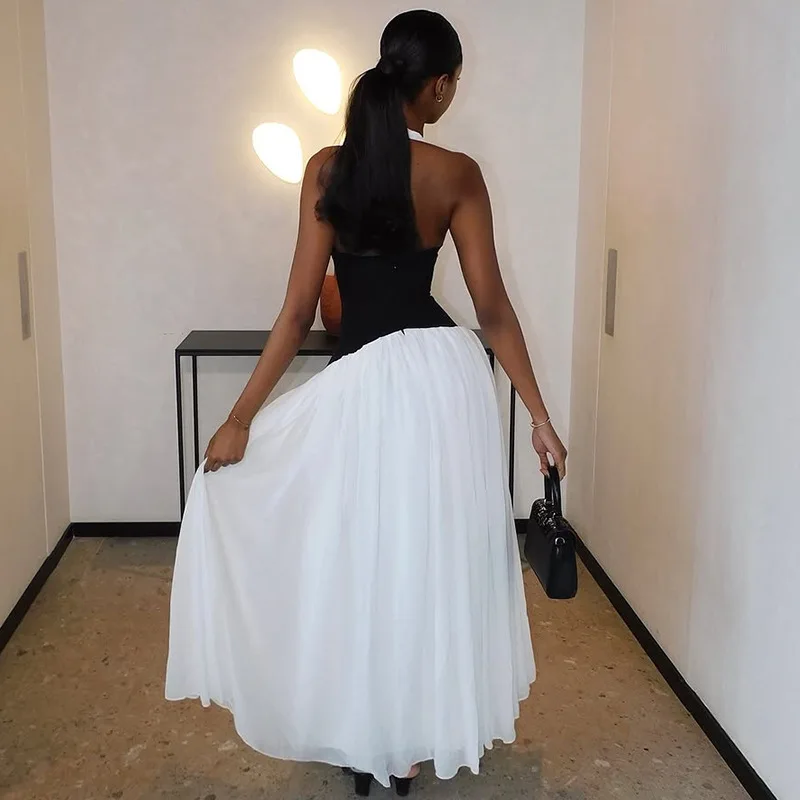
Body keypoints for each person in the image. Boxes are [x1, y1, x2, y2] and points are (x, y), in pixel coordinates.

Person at [165, 9, 567, 797]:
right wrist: (540, 418)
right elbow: (492, 311)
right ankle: (406, 742)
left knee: (354, 558)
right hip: (441, 385)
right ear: (439, 86)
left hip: (363, 386)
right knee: (424, 562)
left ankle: (361, 734)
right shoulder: (456, 174)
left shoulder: (326, 168)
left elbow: (297, 313)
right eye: (455, 81)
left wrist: (240, 420)